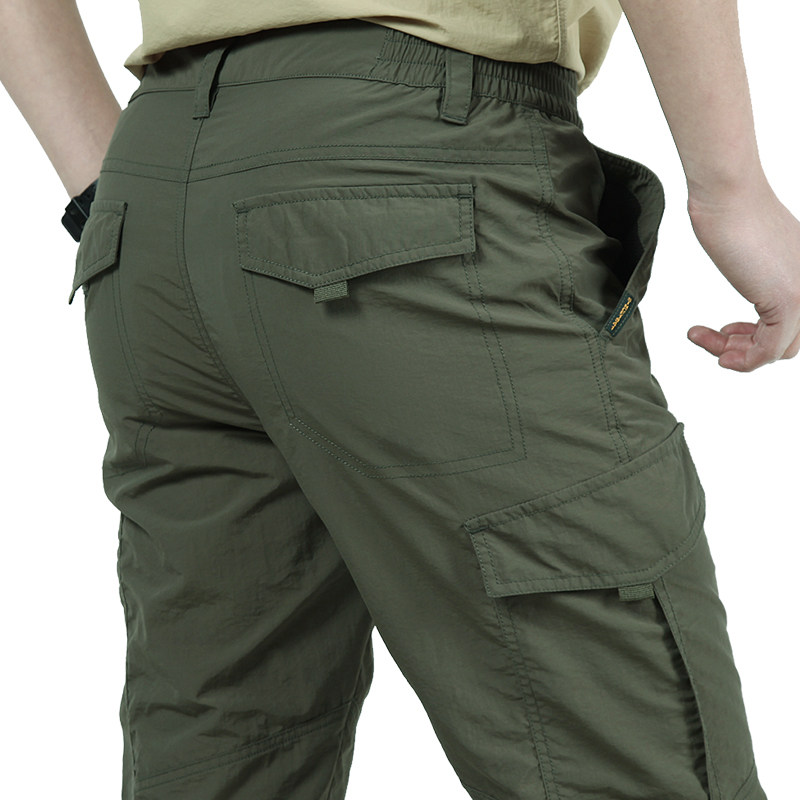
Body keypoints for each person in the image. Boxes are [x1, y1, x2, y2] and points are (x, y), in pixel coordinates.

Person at [0, 2, 794, 799]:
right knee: (633, 754)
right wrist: (733, 191)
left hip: (154, 202)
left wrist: (104, 185)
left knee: (220, 749)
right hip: (408, 173)